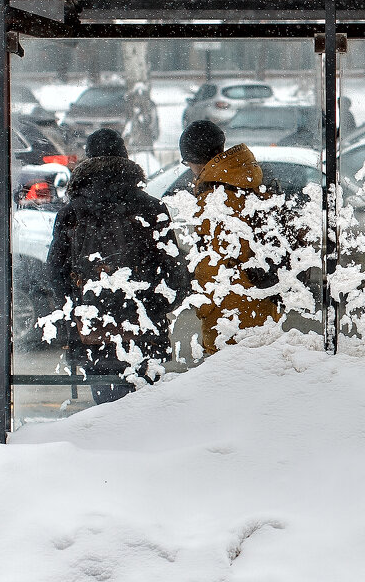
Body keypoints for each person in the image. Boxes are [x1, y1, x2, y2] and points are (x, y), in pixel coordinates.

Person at [45, 128, 189, 404]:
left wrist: (79, 309)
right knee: (149, 409)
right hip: (143, 327)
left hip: (94, 330)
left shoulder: (72, 212)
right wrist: (153, 306)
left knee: (107, 410)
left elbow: (56, 273)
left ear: (87, 163)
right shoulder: (151, 208)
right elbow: (174, 273)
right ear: (126, 160)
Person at [179, 120, 282, 355]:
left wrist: (203, 303)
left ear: (193, 160)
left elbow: (214, 266)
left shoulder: (215, 198)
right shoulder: (248, 181)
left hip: (231, 312)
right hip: (261, 298)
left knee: (231, 382)